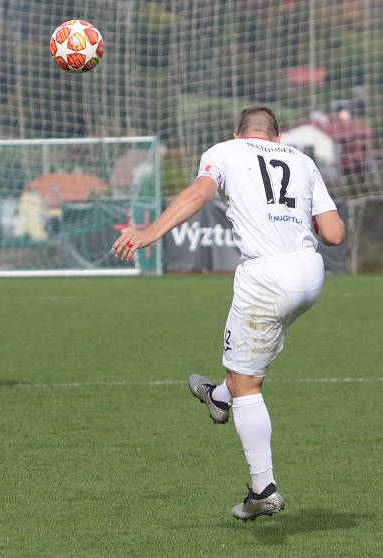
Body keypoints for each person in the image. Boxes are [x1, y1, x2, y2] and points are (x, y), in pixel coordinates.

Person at [112, 106, 344, 521]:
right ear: (277, 137)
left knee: (247, 386)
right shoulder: (303, 160)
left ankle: (264, 488)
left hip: (265, 277)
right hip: (310, 276)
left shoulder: (225, 151)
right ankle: (216, 397)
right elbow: (334, 234)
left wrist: (149, 232)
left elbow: (199, 194)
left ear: (239, 134)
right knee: (242, 376)